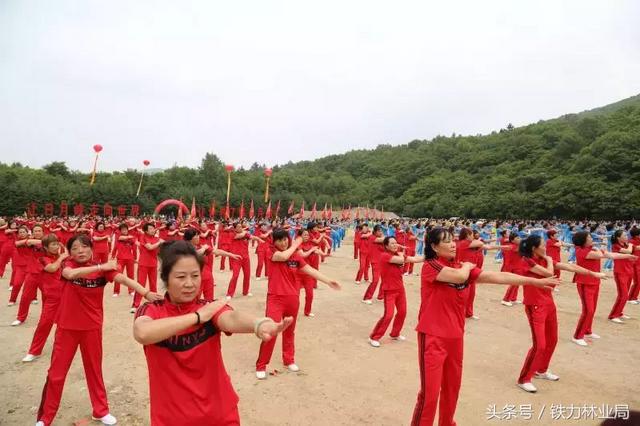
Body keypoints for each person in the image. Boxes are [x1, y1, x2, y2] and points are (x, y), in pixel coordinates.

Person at [411, 227, 560, 426]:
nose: (452, 244)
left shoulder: (458, 265)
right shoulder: (431, 266)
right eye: (446, 241)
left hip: (455, 337)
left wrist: (533, 281)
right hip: (433, 337)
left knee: (452, 388)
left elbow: (495, 277)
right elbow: (459, 277)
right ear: (434, 246)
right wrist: (467, 267)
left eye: (452, 239)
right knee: (429, 394)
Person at [132, 240, 291, 425]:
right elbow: (142, 332)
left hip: (219, 413)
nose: (189, 284)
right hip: (173, 418)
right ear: (166, 278)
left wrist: (259, 323)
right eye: (181, 277)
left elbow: (230, 319)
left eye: (195, 275)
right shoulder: (152, 310)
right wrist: (198, 317)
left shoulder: (209, 307)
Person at [35, 234, 162, 426]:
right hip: (67, 327)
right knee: (56, 374)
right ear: (70, 252)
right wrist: (102, 266)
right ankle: (45, 418)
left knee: (94, 371)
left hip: (92, 327)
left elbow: (124, 279)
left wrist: (145, 293)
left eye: (84, 247)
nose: (80, 251)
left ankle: (100, 410)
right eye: (75, 248)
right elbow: (71, 275)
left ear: (91, 249)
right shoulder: (67, 265)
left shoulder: (103, 271)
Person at [514, 235, 605, 394]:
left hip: (549, 304)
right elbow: (549, 274)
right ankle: (524, 379)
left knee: (552, 340)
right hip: (535, 306)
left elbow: (570, 267)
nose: (546, 247)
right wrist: (550, 260)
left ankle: (541, 370)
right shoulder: (527, 261)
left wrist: (593, 273)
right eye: (543, 245)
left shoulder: (542, 259)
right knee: (539, 345)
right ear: (534, 248)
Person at [255, 229, 340, 379]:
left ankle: (289, 360)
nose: (283, 242)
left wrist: (328, 281)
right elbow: (283, 256)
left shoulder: (295, 256)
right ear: (273, 242)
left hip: (292, 299)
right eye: (279, 240)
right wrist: (296, 243)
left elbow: (309, 269)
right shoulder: (271, 252)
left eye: (285, 239)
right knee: (271, 331)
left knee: (290, 331)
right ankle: (261, 365)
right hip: (276, 299)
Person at [571, 231, 635, 345]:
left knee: (592, 309)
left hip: (595, 282)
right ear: (583, 240)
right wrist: (598, 249)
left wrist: (628, 255)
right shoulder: (582, 251)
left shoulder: (592, 249)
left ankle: (587, 331)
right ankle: (577, 336)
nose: (592, 238)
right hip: (585, 283)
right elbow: (603, 255)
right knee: (588, 310)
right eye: (589, 237)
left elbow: (612, 255)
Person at [369, 236, 423, 347]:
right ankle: (374, 337)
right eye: (392, 243)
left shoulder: (397, 254)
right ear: (386, 245)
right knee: (388, 315)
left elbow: (413, 259)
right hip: (389, 290)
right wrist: (402, 252)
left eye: (396, 243)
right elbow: (404, 259)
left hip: (400, 289)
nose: (395, 245)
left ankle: (395, 333)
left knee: (402, 312)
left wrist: (427, 257)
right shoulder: (385, 256)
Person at [22, 234, 67, 362]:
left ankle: (62, 347)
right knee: (45, 323)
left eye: (57, 243)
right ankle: (34, 351)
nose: (56, 246)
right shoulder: (43, 258)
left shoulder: (62, 256)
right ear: (46, 247)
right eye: (53, 244)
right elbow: (52, 268)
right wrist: (61, 258)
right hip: (52, 297)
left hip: (65, 295)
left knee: (65, 324)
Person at [183, 228, 239, 299]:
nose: (198, 237)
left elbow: (216, 251)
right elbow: (194, 254)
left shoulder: (201, 246)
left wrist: (230, 255)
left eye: (198, 235)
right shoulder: (185, 248)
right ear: (189, 238)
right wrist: (204, 248)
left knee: (209, 299)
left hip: (207, 276)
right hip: (195, 277)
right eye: (196, 236)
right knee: (194, 299)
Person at [12, 224, 45, 326]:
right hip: (32, 273)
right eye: (35, 231)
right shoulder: (29, 242)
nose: (37, 233)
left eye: (39, 231)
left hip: (46, 274)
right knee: (25, 297)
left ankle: (46, 317)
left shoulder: (48, 241)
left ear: (43, 232)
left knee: (47, 297)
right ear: (32, 232)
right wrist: (43, 242)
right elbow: (17, 244)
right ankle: (20, 318)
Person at [131, 223, 164, 313]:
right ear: (146, 231)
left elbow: (163, 246)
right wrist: (159, 242)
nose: (153, 230)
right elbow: (150, 247)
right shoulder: (143, 237)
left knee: (153, 285)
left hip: (153, 264)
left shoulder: (157, 238)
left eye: (153, 228)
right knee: (141, 284)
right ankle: (135, 305)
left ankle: (155, 302)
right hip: (143, 264)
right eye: (150, 229)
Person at [227, 222, 264, 299]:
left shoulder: (246, 234)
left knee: (247, 275)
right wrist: (246, 233)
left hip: (246, 258)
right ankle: (229, 294)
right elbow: (239, 236)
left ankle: (245, 292)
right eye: (238, 227)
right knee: (235, 275)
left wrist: (258, 239)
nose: (240, 228)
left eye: (241, 226)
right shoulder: (232, 234)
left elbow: (252, 237)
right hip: (237, 258)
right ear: (235, 228)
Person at [608, 230, 636, 323]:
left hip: (628, 272)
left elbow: (637, 248)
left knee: (625, 294)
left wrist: (631, 245)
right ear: (618, 238)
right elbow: (629, 251)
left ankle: (619, 312)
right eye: (624, 235)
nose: (626, 236)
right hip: (620, 273)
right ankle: (613, 315)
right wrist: (631, 245)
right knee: (623, 295)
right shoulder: (615, 246)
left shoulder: (626, 244)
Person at [296, 228, 323, 317]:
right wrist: (312, 250)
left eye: (307, 235)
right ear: (300, 236)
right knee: (295, 295)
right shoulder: (297, 245)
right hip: (298, 274)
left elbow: (318, 251)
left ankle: (307, 311)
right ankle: (293, 311)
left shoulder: (310, 244)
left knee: (310, 294)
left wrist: (322, 253)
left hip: (308, 274)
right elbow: (302, 255)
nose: (307, 237)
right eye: (304, 235)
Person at [111, 223, 136, 297]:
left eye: (125, 229)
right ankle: (116, 292)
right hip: (120, 259)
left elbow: (134, 248)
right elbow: (116, 246)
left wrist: (135, 257)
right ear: (120, 231)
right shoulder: (119, 236)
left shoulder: (131, 238)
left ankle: (131, 290)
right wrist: (113, 255)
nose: (124, 231)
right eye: (122, 229)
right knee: (118, 275)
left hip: (130, 259)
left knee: (130, 276)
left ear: (127, 230)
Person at [627, 227, 640, 304]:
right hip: (634, 264)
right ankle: (630, 298)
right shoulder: (631, 242)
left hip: (639, 263)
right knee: (637, 281)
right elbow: (636, 248)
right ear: (636, 235)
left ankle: (634, 297)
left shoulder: (638, 240)